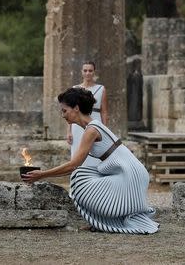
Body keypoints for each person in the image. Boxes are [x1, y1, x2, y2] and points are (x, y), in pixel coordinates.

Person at [23, 87, 159, 234]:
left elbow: (73, 165)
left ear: (76, 108)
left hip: (130, 175)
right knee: (85, 174)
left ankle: (103, 222)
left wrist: (42, 174)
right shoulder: (93, 126)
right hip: (132, 173)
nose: (62, 115)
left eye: (64, 110)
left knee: (78, 178)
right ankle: (100, 222)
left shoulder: (91, 130)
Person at [67, 61, 108, 167]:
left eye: (90, 70)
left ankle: (94, 179)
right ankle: (77, 178)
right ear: (82, 72)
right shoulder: (75, 89)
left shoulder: (101, 89)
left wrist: (104, 129)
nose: (88, 73)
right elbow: (70, 112)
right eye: (85, 70)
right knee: (77, 151)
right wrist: (69, 131)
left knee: (94, 151)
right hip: (77, 125)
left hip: (95, 122)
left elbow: (104, 111)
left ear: (94, 72)